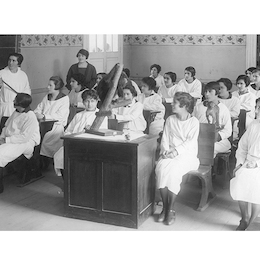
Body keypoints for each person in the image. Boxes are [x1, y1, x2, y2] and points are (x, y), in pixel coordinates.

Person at [155, 92, 200, 225]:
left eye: (174, 103)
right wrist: (165, 152)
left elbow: (190, 143)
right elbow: (165, 138)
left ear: (185, 105)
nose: (171, 104)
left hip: (187, 156)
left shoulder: (194, 122)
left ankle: (171, 209)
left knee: (173, 171)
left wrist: (176, 151)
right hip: (169, 153)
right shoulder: (170, 119)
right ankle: (165, 207)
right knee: (161, 169)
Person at [54, 89, 108, 177]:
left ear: (97, 101)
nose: (89, 104)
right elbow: (68, 131)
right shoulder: (78, 115)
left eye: (92, 101)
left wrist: (90, 130)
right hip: (74, 143)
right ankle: (67, 182)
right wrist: (71, 137)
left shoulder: (101, 116)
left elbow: (102, 132)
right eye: (87, 101)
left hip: (90, 145)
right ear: (83, 102)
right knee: (59, 156)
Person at [0, 93, 40, 193]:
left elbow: (25, 137)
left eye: (15, 101)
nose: (13, 102)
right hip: (12, 140)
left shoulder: (30, 116)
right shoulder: (16, 112)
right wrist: (2, 138)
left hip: (25, 143)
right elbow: (6, 127)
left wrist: (6, 140)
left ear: (21, 104)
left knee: (1, 154)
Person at [230, 97, 260, 230]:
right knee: (239, 180)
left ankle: (252, 222)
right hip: (248, 162)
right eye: (257, 107)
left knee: (255, 187)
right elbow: (242, 147)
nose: (257, 111)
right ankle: (245, 217)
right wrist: (240, 163)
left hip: (258, 165)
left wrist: (257, 164)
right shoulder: (254, 124)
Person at [34, 76, 70, 165]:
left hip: (56, 126)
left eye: (50, 85)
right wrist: (37, 114)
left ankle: (44, 162)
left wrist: (44, 116)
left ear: (57, 86)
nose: (48, 87)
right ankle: (36, 163)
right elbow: (39, 107)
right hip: (43, 124)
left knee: (46, 139)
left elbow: (60, 116)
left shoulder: (64, 99)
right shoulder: (47, 96)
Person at [193, 81, 232, 157]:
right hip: (201, 138)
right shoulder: (198, 107)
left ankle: (208, 168)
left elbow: (228, 130)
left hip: (218, 140)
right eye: (205, 91)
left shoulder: (223, 109)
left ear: (217, 92)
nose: (207, 94)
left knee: (210, 148)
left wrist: (216, 137)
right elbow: (193, 123)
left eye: (210, 91)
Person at [0, 53, 31, 133]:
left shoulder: (23, 75)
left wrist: (23, 101)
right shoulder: (2, 73)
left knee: (16, 130)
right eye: (9, 60)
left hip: (19, 108)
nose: (10, 62)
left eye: (14, 61)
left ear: (19, 63)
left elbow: (27, 90)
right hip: (5, 109)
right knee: (5, 130)